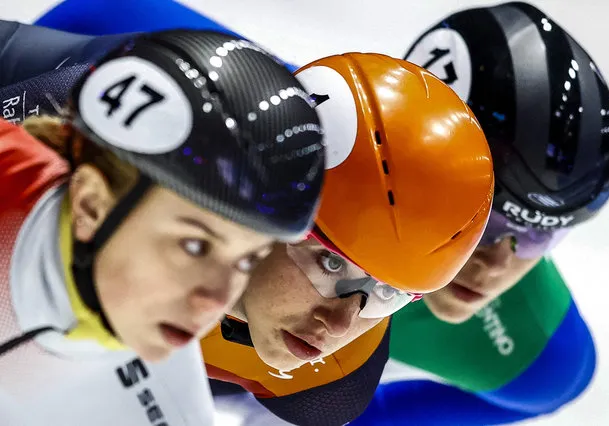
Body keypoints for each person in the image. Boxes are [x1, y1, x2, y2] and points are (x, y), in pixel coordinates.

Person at [13, 8, 495, 425]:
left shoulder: (337, 376)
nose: (342, 322)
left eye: (388, 293)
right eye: (330, 265)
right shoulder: (97, 130)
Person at [0, 27, 325, 425]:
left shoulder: (173, 411)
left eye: (247, 261)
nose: (216, 302)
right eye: (194, 246)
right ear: (91, 205)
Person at [351, 3, 609, 425]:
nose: (497, 265)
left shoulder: (540, 361)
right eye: (485, 220)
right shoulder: (272, 145)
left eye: (540, 236)